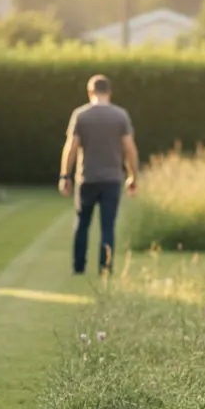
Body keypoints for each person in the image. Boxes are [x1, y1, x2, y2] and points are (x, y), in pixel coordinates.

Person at [59, 74, 139, 276]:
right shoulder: (120, 116)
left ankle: (78, 267)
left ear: (90, 92)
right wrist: (133, 176)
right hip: (112, 179)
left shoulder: (81, 115)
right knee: (108, 226)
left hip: (87, 178)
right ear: (109, 92)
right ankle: (105, 267)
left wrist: (64, 176)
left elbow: (71, 147)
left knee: (82, 223)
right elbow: (130, 149)